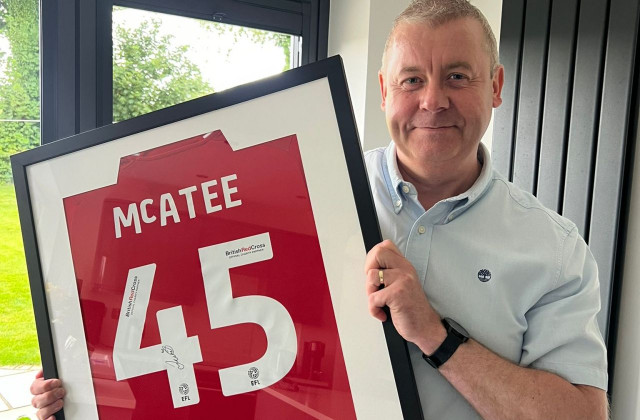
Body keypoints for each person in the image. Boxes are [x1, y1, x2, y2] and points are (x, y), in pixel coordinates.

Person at [31, 1, 609, 419]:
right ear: (384, 90)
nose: (433, 100)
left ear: (496, 86)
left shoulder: (554, 250)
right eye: (412, 80)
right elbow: (195, 332)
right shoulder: (311, 188)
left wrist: (437, 337)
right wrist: (80, 385)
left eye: (457, 76)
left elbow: (583, 417)